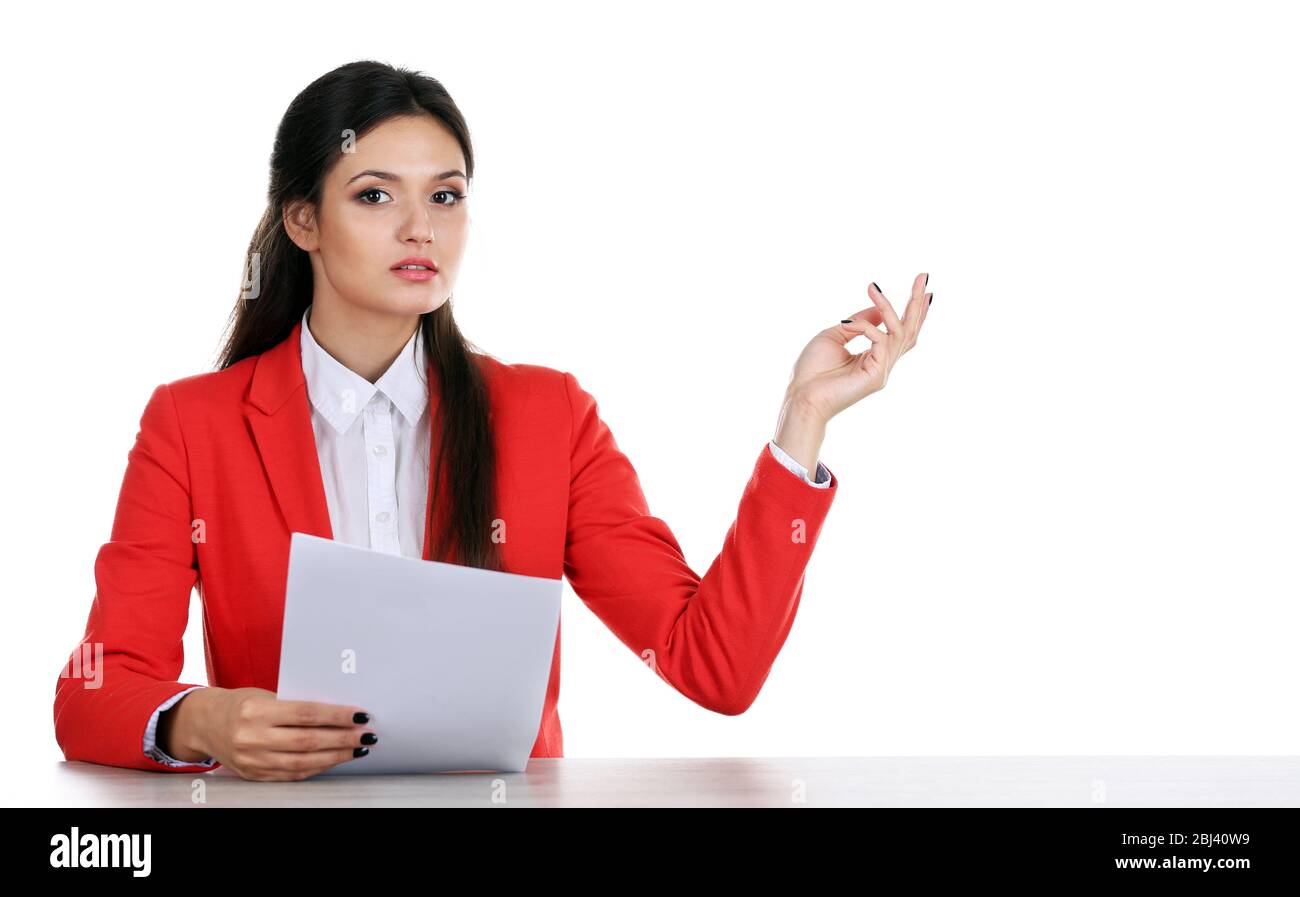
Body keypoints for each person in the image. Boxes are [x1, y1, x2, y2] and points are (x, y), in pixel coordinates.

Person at [53, 60, 933, 782]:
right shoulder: (193, 425)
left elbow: (714, 665)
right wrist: (203, 718)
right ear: (303, 220)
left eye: (445, 196)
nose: (420, 229)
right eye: (374, 196)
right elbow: (93, 692)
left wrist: (802, 420)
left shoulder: (549, 417)